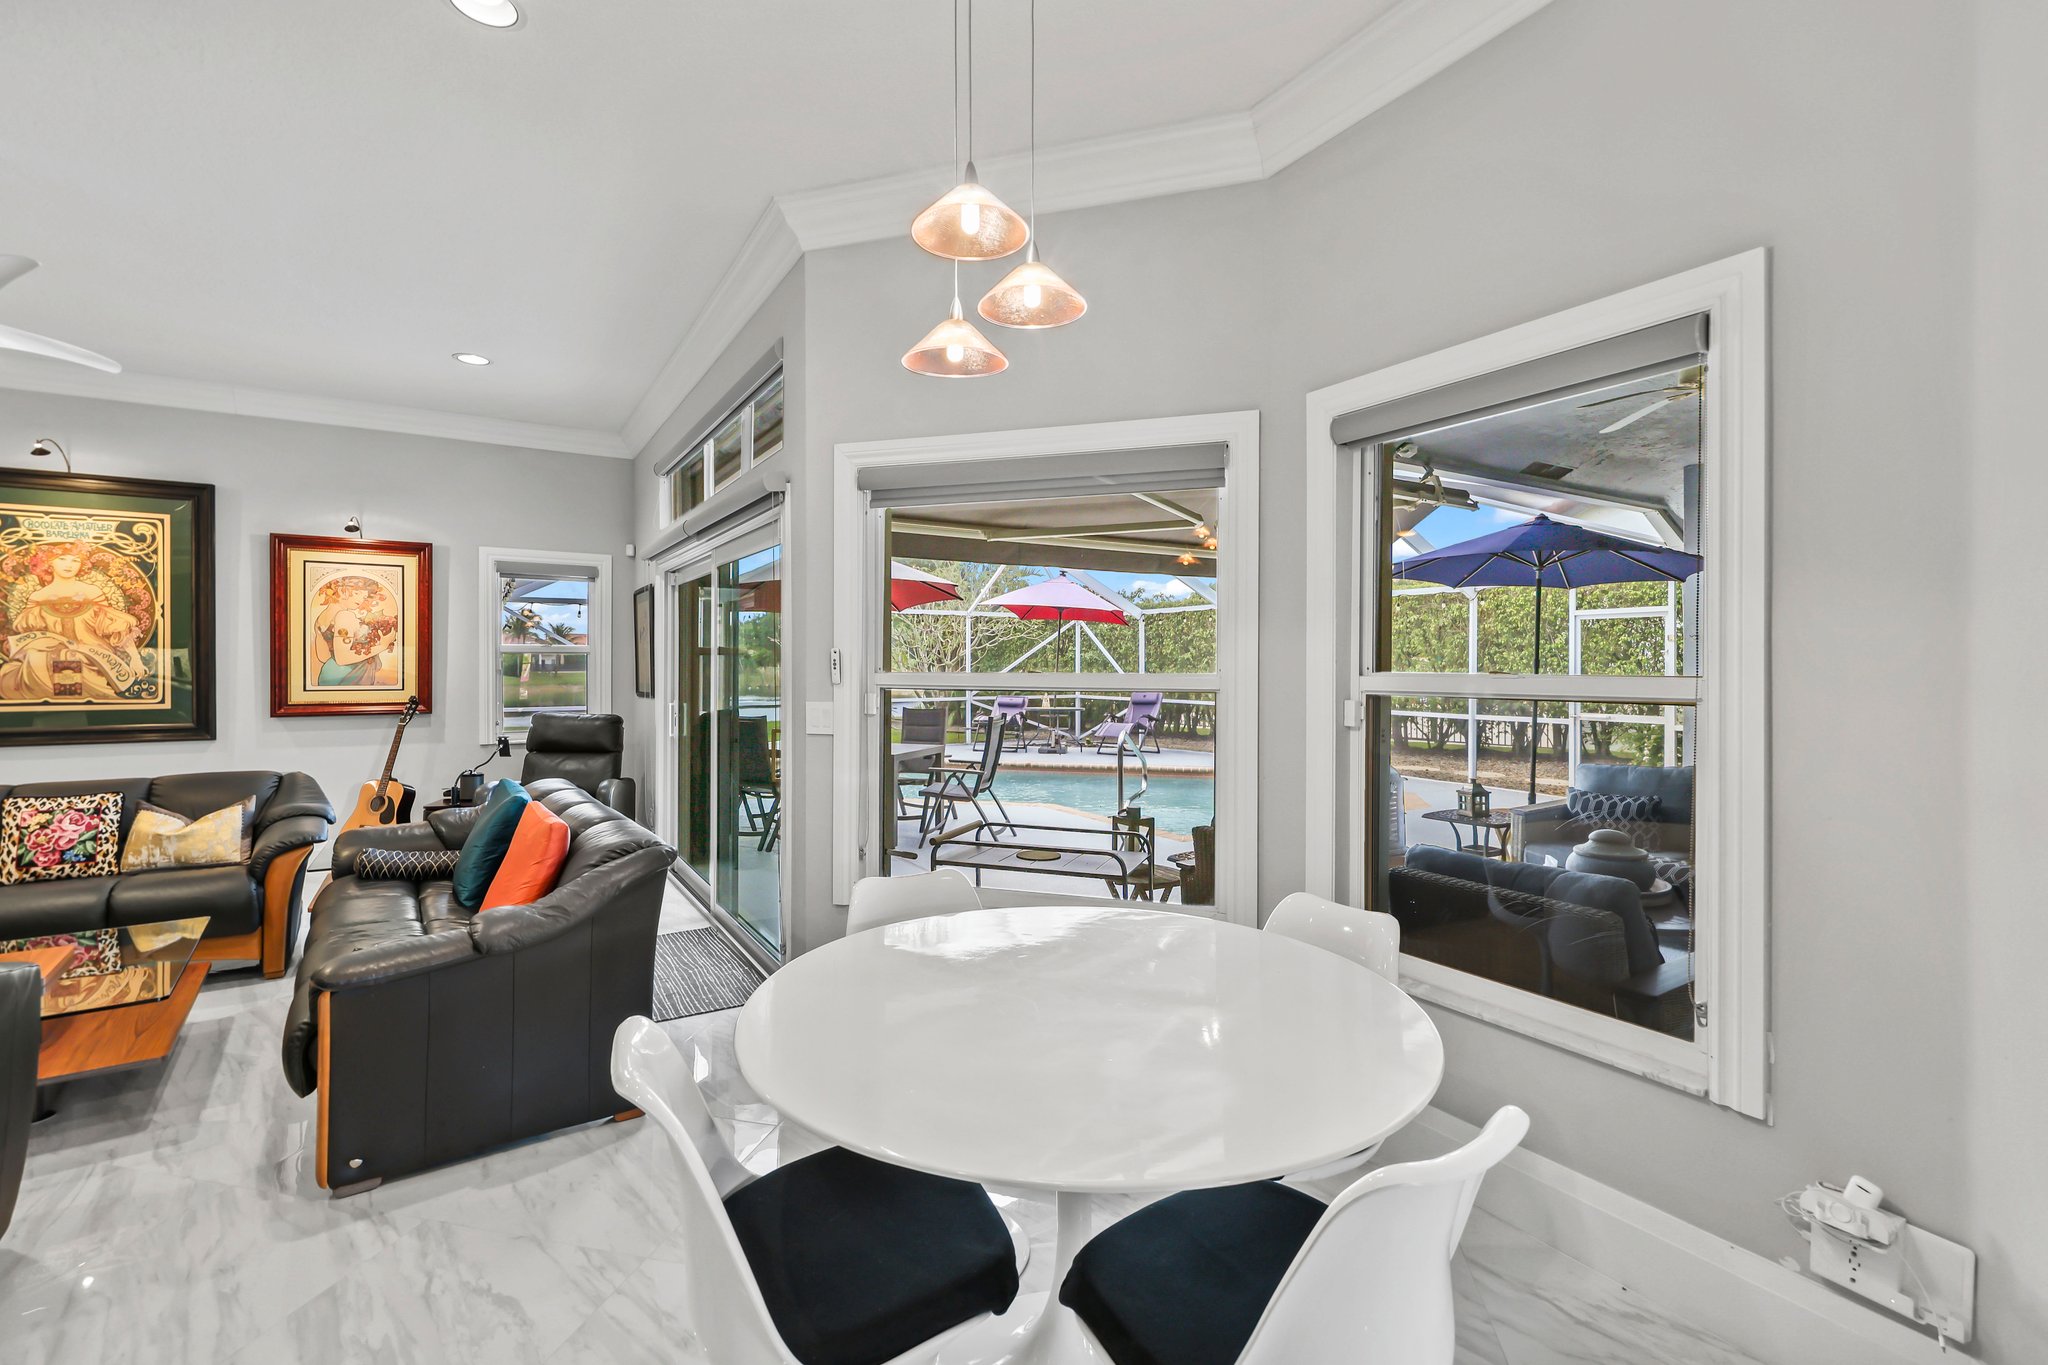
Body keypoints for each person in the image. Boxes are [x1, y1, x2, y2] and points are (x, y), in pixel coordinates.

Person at [0, 540, 152, 703]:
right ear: (50, 563)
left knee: (76, 661)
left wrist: (135, 659)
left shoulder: (92, 592)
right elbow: (29, 636)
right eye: (62, 559)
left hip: (93, 656)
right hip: (46, 657)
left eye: (75, 560)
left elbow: (116, 627)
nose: (69, 565)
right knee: (35, 661)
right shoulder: (38, 596)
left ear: (82, 565)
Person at [310, 575, 398, 688]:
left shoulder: (320, 620)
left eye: (364, 596)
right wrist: (382, 646)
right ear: (342, 591)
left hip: (329, 675)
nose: (361, 599)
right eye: (357, 593)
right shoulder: (344, 616)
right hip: (348, 677)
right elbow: (342, 659)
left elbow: (323, 657)